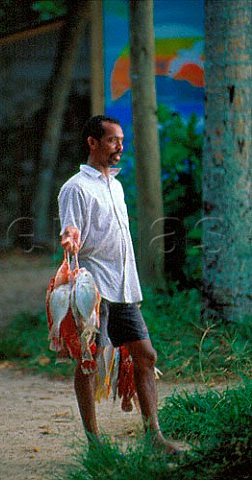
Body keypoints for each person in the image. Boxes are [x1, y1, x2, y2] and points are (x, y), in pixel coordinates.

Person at [58, 114, 178, 454]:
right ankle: (95, 443)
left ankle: (154, 436)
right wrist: (69, 238)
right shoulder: (75, 188)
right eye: (112, 140)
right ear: (92, 143)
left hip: (124, 287)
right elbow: (70, 229)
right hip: (93, 289)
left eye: (121, 140)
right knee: (90, 361)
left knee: (146, 356)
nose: (120, 147)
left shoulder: (117, 184)